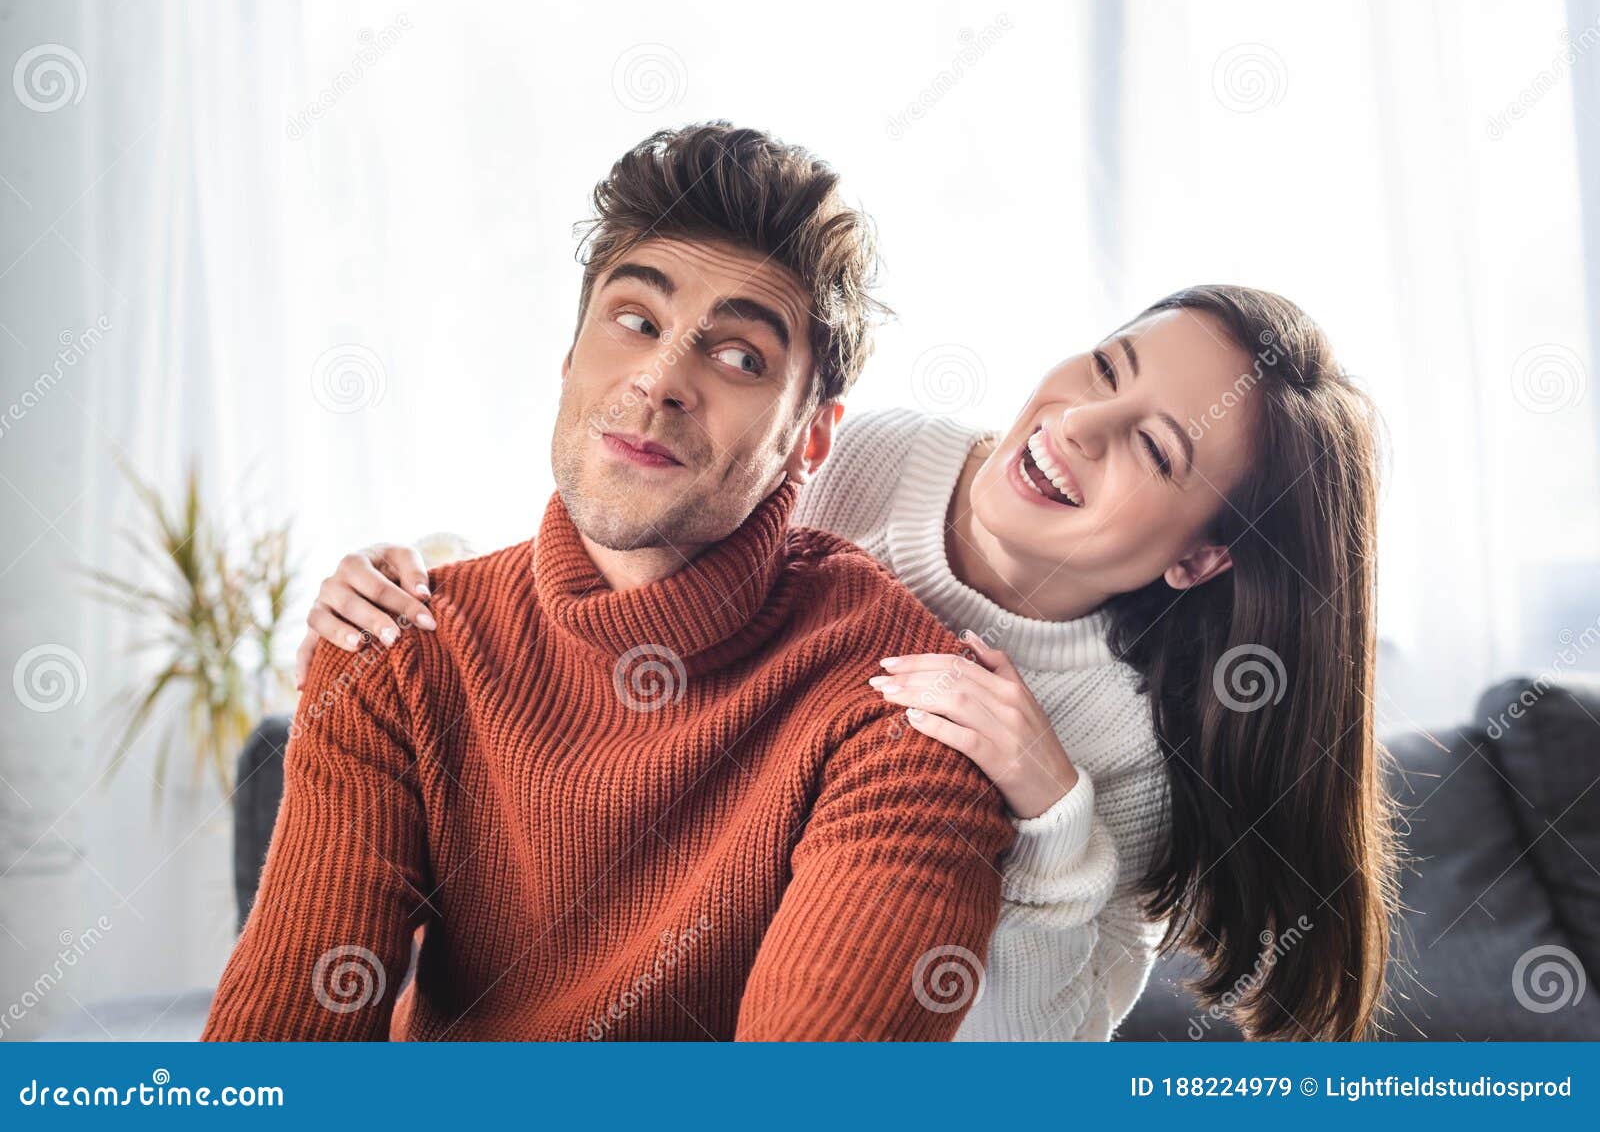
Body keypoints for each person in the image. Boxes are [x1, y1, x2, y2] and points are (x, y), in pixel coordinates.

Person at [307, 282, 1403, 1040]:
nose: (1078, 425)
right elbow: (628, 575)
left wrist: (1051, 829)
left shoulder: (1127, 746)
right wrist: (419, 592)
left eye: (1156, 450)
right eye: (1105, 367)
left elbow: (1018, 1059)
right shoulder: (879, 456)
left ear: (1202, 556)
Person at [202, 121, 1017, 1042]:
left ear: (811, 434)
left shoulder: (903, 700)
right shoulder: (396, 642)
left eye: (740, 356)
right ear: (568, 360)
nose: (661, 378)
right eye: (635, 321)